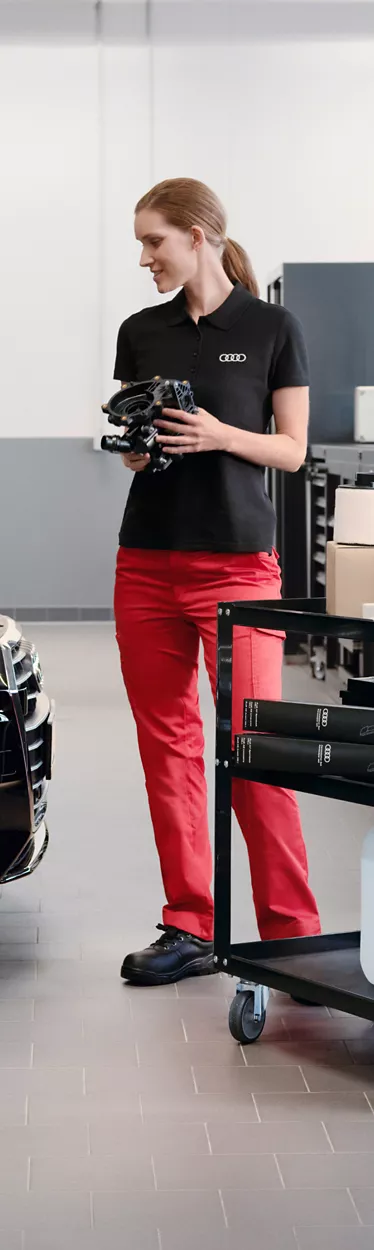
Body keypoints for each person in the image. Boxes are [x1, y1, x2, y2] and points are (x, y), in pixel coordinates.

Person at [113, 177, 320, 986]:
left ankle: (291, 934)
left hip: (238, 565)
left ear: (197, 236)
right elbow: (140, 438)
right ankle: (188, 923)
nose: (144, 258)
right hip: (147, 562)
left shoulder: (272, 327)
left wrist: (221, 433)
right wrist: (139, 449)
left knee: (254, 747)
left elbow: (292, 449)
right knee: (168, 749)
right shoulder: (140, 331)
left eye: (153, 242)